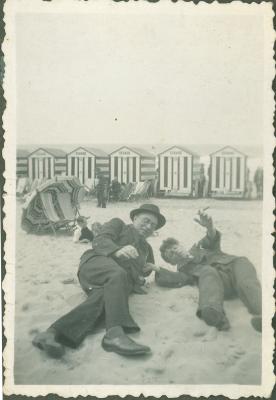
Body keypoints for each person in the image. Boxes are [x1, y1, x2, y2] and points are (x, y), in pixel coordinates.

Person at [32, 204, 166, 358]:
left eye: (153, 225)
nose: (148, 226)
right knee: (118, 273)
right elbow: (99, 240)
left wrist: (144, 272)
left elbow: (144, 271)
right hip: (96, 265)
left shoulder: (147, 249)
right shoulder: (119, 225)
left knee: (103, 298)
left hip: (116, 281)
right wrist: (117, 250)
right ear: (135, 218)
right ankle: (114, 333)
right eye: (146, 221)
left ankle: (52, 333)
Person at [156, 210, 262, 333]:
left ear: (181, 245)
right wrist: (156, 269)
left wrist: (209, 227)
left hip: (235, 264)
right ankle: (213, 313)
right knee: (207, 271)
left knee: (246, 281)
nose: (175, 251)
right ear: (172, 263)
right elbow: (174, 278)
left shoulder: (198, 247)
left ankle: (263, 315)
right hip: (221, 282)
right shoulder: (184, 271)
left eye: (175, 248)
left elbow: (211, 239)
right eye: (171, 254)